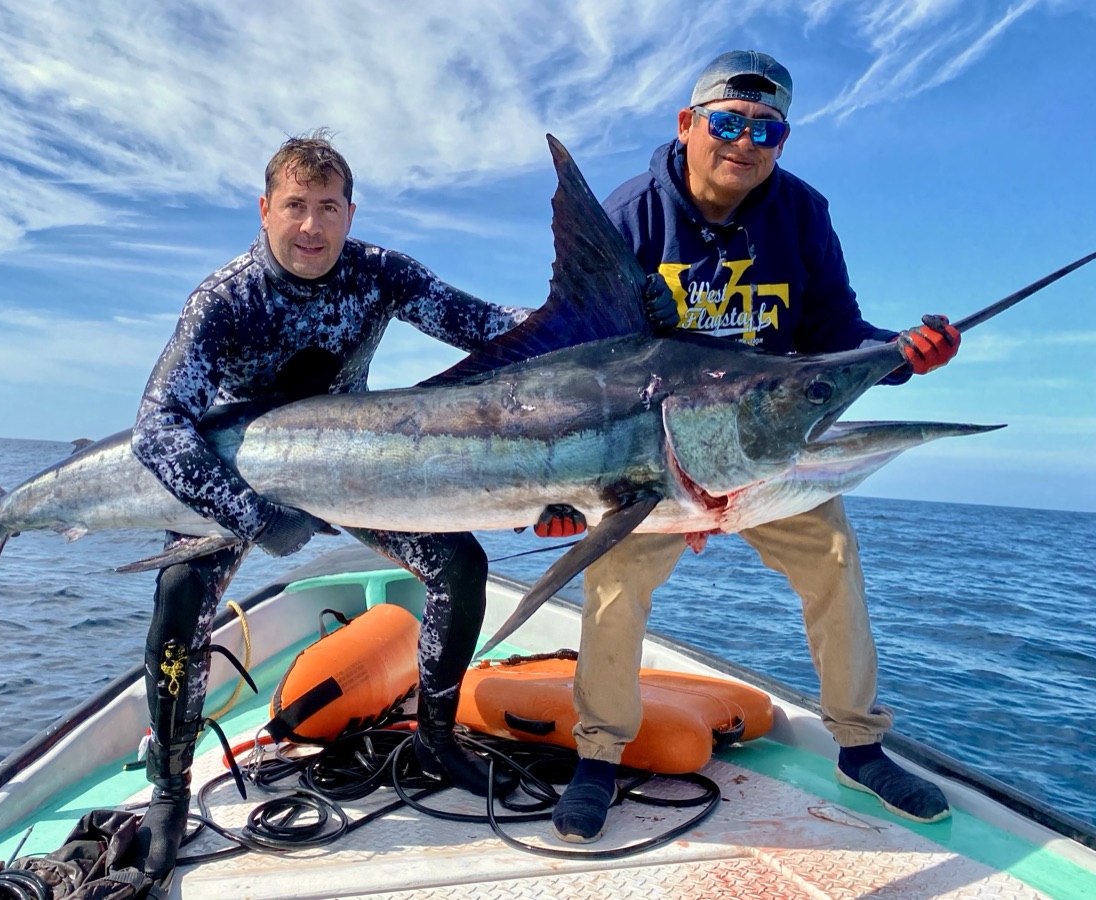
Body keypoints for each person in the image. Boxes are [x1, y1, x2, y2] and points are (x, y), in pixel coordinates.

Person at [551, 50, 962, 843]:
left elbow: (834, 337)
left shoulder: (802, 212)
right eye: (728, 122)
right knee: (613, 585)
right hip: (651, 455)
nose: (745, 141)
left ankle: (860, 745)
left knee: (834, 559)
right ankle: (598, 756)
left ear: (782, 140)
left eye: (766, 129)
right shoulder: (632, 214)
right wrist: (673, 487)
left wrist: (901, 357)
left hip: (766, 450)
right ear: (687, 124)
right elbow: (590, 368)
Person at [127, 130, 539, 881]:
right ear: (264, 210)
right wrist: (256, 516)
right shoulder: (224, 301)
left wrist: (595, 320)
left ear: (351, 212)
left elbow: (485, 325)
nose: (311, 226)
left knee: (459, 563)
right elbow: (157, 425)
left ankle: (435, 738)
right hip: (239, 476)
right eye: (294, 207)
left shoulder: (379, 274)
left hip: (349, 465)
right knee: (179, 604)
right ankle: (170, 787)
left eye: (327, 207)